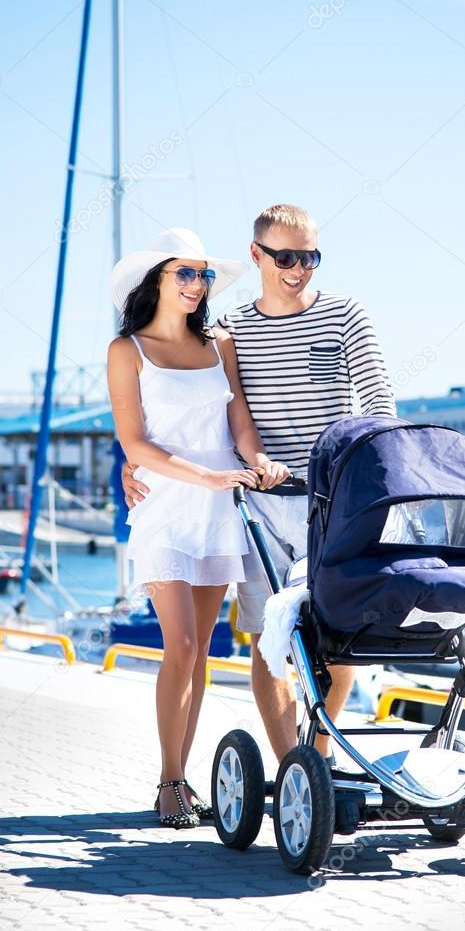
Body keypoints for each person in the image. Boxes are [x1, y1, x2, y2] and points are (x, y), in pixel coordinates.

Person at [124, 205, 396, 766]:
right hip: (259, 506)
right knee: (269, 641)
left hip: (334, 503)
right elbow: (194, 414)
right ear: (258, 255)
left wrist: (382, 468)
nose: (299, 269)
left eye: (311, 258)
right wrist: (133, 466)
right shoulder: (232, 332)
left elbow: (379, 403)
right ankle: (292, 771)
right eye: (286, 257)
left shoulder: (346, 315)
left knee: (342, 641)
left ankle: (316, 758)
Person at [107, 227, 289, 828]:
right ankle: (168, 781)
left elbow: (238, 417)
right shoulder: (126, 349)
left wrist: (254, 458)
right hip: (164, 509)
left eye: (203, 274)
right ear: (155, 279)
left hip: (220, 511)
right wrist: (206, 478)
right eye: (184, 273)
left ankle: (183, 783)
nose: (197, 284)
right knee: (179, 646)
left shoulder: (219, 343)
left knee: (201, 652)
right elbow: (134, 441)